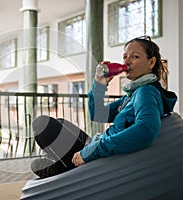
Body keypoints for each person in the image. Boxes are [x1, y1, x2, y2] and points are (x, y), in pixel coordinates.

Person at [31, 35, 177, 179]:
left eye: (135, 57)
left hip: (97, 154)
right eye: (125, 57)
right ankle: (64, 164)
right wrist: (99, 83)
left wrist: (92, 151)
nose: (127, 62)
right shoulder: (133, 94)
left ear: (151, 62)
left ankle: (66, 167)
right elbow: (98, 114)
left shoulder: (146, 92)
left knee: (42, 124)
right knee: (60, 122)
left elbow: (146, 130)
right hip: (95, 144)